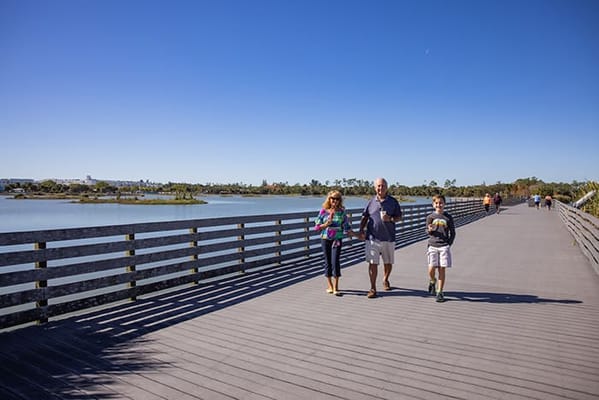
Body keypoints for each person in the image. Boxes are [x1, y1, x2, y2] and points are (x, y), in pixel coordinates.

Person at [357, 178, 402, 298]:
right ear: (375, 188)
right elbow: (364, 217)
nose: (380, 188)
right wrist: (361, 230)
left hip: (388, 238)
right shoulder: (371, 202)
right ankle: (372, 288)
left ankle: (385, 279)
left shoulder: (393, 202)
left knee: (388, 263)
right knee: (372, 263)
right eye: (378, 186)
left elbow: (399, 217)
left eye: (382, 186)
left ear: (387, 187)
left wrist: (390, 219)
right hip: (372, 238)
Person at [315, 190, 354, 296]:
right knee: (327, 261)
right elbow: (317, 227)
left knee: (335, 261)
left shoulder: (341, 212)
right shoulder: (323, 211)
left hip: (337, 239)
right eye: (332, 198)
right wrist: (326, 224)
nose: (334, 201)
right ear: (329, 199)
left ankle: (336, 287)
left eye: (337, 199)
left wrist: (357, 235)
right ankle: (330, 286)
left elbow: (347, 227)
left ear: (339, 200)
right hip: (325, 238)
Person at [426, 194, 456, 303]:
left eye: (441, 203)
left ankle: (440, 291)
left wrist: (449, 243)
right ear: (433, 204)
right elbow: (427, 231)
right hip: (432, 245)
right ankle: (432, 280)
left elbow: (452, 232)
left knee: (442, 269)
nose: (439, 205)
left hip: (444, 246)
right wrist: (429, 230)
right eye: (437, 203)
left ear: (444, 204)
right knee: (431, 268)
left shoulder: (448, 217)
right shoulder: (430, 217)